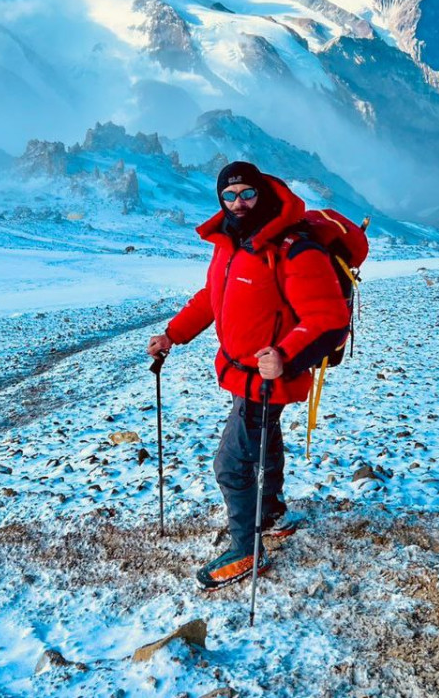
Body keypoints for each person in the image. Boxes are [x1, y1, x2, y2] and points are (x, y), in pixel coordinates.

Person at [147, 160, 351, 589]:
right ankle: (272, 514)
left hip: (268, 376)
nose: (238, 203)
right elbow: (212, 297)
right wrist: (172, 334)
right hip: (242, 374)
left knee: (231, 464)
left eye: (247, 194)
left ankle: (246, 550)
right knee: (262, 440)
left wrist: (284, 355)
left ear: (262, 194)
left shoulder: (293, 248)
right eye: (229, 195)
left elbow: (328, 317)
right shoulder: (230, 242)